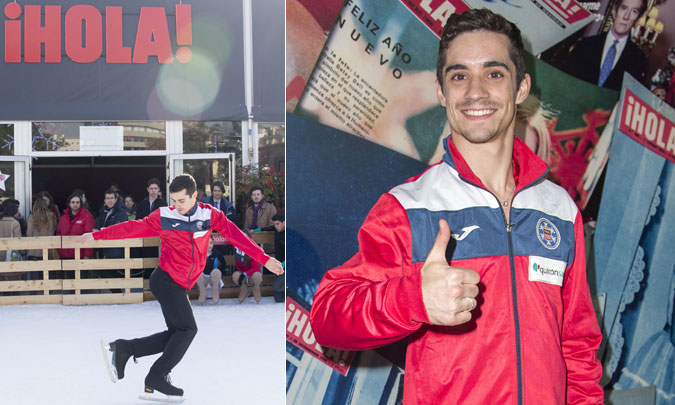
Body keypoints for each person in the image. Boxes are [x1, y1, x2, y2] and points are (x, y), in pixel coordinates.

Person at [309, 9, 603, 404]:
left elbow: (578, 347)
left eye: (494, 74)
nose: (475, 91)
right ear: (441, 91)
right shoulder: (409, 207)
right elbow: (327, 317)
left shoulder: (560, 210)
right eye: (459, 75)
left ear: (520, 88)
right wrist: (413, 299)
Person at [77, 174, 283, 401]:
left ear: (194, 195)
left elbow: (237, 236)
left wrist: (264, 259)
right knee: (188, 330)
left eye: (182, 201)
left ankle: (125, 349)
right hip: (166, 281)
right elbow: (132, 228)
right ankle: (156, 375)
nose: (177, 206)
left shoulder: (209, 215)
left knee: (176, 334)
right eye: (174, 200)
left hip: (178, 283)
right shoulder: (165, 215)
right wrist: (98, 235)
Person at [564, 0, 647, 91]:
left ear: (638, 19)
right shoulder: (585, 45)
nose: (626, 16)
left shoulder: (639, 60)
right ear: (614, 11)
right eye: (624, 8)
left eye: (634, 11)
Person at [250, 213, 285, 303]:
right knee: (278, 295)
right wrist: (257, 230)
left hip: (290, 265)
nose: (276, 226)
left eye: (278, 224)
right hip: (280, 266)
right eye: (275, 224)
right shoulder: (276, 228)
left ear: (284, 222)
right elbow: (268, 228)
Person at [56, 193, 94, 260]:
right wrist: (59, 252)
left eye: (77, 202)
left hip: (80, 255)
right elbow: (58, 234)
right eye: (73, 202)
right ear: (69, 204)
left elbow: (89, 235)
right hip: (64, 255)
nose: (75, 204)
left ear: (80, 204)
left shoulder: (87, 216)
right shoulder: (63, 217)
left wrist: (87, 255)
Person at [96, 189, 128, 259]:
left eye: (111, 198)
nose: (109, 201)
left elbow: (120, 230)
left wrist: (103, 231)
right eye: (107, 198)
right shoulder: (102, 213)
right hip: (103, 248)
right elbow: (99, 227)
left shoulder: (121, 213)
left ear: (116, 199)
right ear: (104, 200)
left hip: (116, 250)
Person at [194, 236, 225, 305]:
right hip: (202, 280)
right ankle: (202, 292)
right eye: (207, 243)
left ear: (213, 244)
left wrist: (220, 274)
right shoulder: (199, 254)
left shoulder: (217, 254)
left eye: (211, 243)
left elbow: (223, 265)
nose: (209, 245)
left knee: (216, 271)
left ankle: (215, 292)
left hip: (213, 280)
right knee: (198, 272)